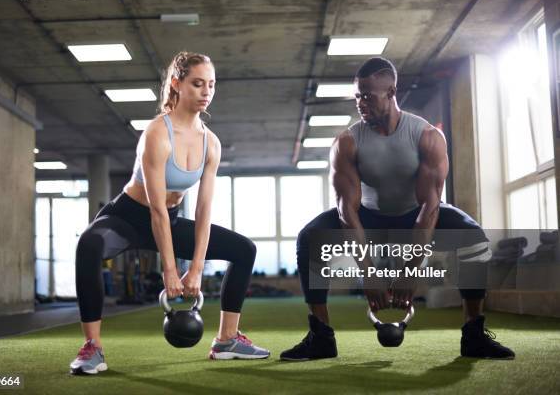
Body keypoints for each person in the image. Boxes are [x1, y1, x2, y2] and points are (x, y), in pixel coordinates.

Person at [280, 57, 515, 361]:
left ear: (391, 92)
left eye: (368, 96)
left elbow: (429, 208)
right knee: (310, 237)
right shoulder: (347, 142)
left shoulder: (427, 136)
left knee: (472, 236)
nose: (360, 103)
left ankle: (474, 334)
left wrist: (410, 269)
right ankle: (320, 336)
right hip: (367, 214)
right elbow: (346, 213)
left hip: (415, 214)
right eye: (357, 96)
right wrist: (369, 275)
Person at [70, 52, 269, 375]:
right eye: (197, 84)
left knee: (243, 249)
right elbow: (156, 209)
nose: (206, 92)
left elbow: (204, 209)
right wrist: (171, 271)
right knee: (89, 245)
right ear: (177, 84)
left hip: (171, 219)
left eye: (211, 85)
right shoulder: (157, 134)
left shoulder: (211, 143)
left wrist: (196, 270)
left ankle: (226, 339)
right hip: (127, 218)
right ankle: (92, 348)